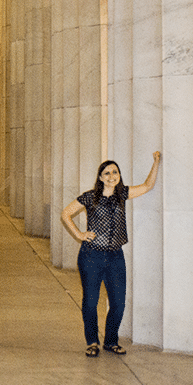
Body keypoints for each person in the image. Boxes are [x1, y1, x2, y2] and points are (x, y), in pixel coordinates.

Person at [60, 152, 161, 357]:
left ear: (119, 175)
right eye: (107, 173)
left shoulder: (122, 194)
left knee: (118, 302)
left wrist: (156, 161)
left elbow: (147, 186)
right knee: (90, 300)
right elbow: (66, 213)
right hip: (91, 256)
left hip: (115, 256)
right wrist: (79, 234)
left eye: (115, 172)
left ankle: (111, 341)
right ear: (100, 177)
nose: (111, 176)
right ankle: (92, 342)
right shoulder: (90, 196)